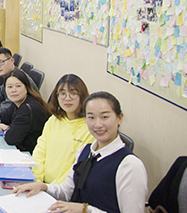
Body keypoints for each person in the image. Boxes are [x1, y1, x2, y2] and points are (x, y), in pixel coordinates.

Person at [12, 91, 148, 213]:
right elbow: (67, 191)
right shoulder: (86, 151)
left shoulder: (129, 165)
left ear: (119, 118)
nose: (98, 124)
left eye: (105, 117)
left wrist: (86, 210)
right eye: (91, 117)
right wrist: (44, 187)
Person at [32, 74, 94, 184]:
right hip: (41, 185)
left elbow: (78, 167)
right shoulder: (53, 120)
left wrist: (51, 188)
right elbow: (39, 152)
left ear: (82, 96)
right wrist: (36, 180)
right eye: (63, 93)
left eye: (73, 93)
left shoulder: (90, 128)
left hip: (65, 189)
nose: (67, 98)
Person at [0, 69, 50, 152]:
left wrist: (7, 128)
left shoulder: (27, 108)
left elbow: (11, 139)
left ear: (26, 88)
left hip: (32, 153)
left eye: (18, 86)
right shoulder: (19, 102)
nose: (13, 90)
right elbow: (3, 116)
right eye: (9, 87)